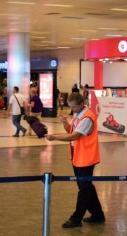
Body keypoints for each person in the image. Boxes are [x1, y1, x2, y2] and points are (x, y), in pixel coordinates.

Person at [45, 92, 105, 228]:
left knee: (83, 189)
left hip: (86, 158)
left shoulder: (87, 118)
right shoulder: (79, 114)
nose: (72, 110)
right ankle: (98, 215)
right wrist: (65, 123)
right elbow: (71, 131)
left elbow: (75, 136)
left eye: (73, 107)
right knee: (86, 187)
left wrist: (54, 137)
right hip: (78, 156)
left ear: (81, 104)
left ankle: (76, 219)